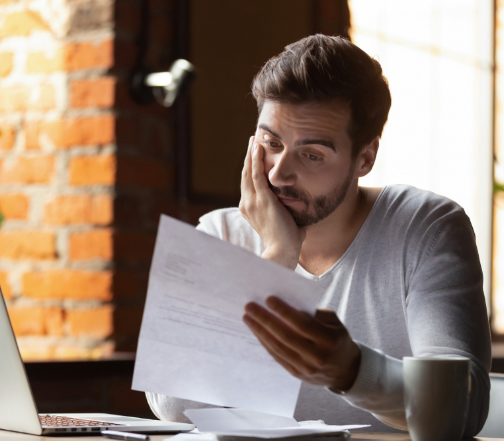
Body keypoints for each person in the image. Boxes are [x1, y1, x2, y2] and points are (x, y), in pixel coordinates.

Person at [146, 34, 491, 435]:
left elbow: (462, 407)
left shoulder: (426, 226)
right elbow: (172, 404)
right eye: (271, 143)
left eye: (311, 155)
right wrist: (275, 257)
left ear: (365, 157)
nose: (277, 173)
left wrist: (353, 372)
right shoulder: (220, 231)